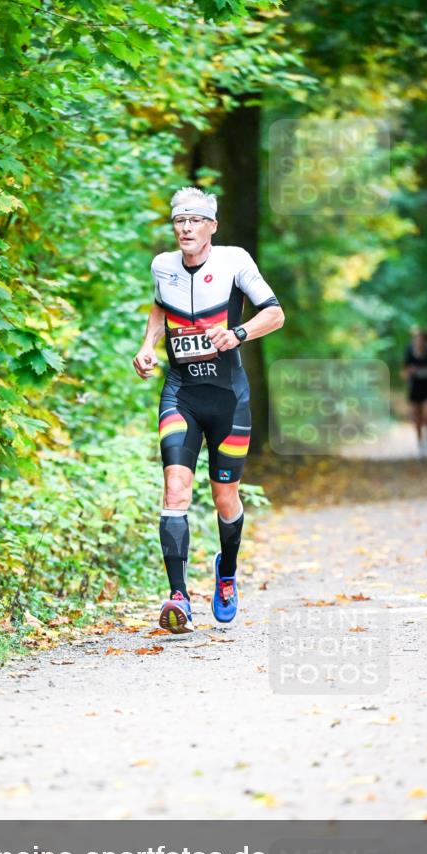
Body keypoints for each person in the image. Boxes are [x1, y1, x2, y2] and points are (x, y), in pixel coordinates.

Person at [133, 187, 284, 634]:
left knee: (224, 498)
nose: (186, 227)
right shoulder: (163, 266)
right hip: (180, 393)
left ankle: (227, 573)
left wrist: (237, 333)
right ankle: (178, 597)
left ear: (211, 227)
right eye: (179, 220)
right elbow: (161, 309)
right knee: (175, 490)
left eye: (196, 220)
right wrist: (147, 347)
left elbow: (274, 314)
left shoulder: (234, 261)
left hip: (227, 396)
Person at [402, 328, 427, 455]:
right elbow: (404, 372)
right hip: (415, 388)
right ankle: (420, 443)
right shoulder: (409, 352)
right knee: (416, 417)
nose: (418, 342)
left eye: (420, 340)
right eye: (416, 340)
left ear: (424, 341)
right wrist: (409, 373)